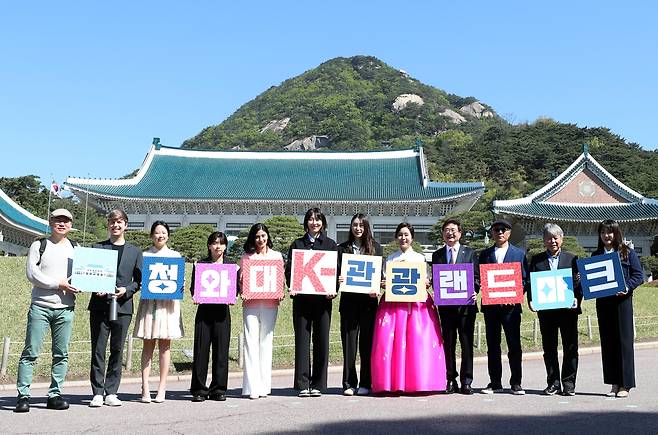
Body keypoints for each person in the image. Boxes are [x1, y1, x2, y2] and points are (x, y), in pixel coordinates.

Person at [14, 209, 79, 413]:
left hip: (65, 308)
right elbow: (32, 274)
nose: (62, 224)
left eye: (66, 221)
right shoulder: (39, 245)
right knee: (30, 352)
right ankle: (23, 395)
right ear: (50, 223)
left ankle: (55, 395)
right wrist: (57, 284)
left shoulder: (76, 248)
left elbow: (83, 272)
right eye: (57, 220)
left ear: (70, 225)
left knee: (61, 354)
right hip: (41, 306)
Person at [371, 222, 446, 394]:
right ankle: (393, 381)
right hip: (393, 305)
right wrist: (384, 284)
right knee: (392, 342)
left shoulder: (420, 258)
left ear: (412, 237)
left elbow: (426, 280)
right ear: (396, 237)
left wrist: (426, 283)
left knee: (417, 340)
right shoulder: (391, 259)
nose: (403, 238)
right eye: (400, 235)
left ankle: (418, 381)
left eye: (406, 235)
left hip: (417, 305)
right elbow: (385, 280)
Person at [88, 209, 143, 407]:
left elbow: (138, 281)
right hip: (100, 305)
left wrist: (126, 290)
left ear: (125, 225)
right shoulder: (97, 247)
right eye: (112, 222)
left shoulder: (135, 251)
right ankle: (97, 391)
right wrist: (96, 288)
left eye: (119, 222)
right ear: (108, 225)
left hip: (123, 306)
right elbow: (89, 275)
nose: (115, 225)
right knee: (98, 349)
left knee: (117, 349)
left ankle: (111, 391)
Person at [285, 207, 338, 397]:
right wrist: (291, 285)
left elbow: (336, 272)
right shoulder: (297, 244)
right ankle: (302, 383)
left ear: (323, 222)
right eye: (310, 219)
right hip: (301, 301)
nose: (314, 223)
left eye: (317, 219)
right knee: (302, 341)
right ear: (305, 222)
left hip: (323, 302)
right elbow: (289, 270)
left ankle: (318, 383)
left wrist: (334, 290)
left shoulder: (331, 245)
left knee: (321, 340)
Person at [133, 221, 184, 403]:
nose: (160, 235)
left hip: (168, 306)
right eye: (156, 232)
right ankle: (145, 387)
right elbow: (138, 280)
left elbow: (179, 281)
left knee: (165, 346)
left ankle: (162, 387)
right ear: (151, 235)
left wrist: (181, 285)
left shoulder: (175, 255)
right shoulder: (145, 255)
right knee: (147, 345)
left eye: (163, 232)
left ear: (168, 235)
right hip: (149, 305)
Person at [528, 223, 581, 396]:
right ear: (544, 240)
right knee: (549, 348)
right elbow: (530, 283)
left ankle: (569, 383)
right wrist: (530, 300)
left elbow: (578, 284)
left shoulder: (572, 259)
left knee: (570, 348)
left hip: (568, 311)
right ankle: (553, 382)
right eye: (549, 238)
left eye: (556, 237)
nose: (553, 241)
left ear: (562, 239)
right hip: (547, 311)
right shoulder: (536, 260)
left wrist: (576, 299)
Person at [593, 219, 643, 398]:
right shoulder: (596, 255)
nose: (607, 236)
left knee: (624, 343)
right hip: (603, 304)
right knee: (608, 343)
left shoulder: (627, 252)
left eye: (610, 232)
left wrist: (627, 287)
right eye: (603, 232)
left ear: (616, 233)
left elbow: (639, 276)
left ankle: (625, 384)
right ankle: (614, 382)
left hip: (622, 303)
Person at [478, 219, 528, 395]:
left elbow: (524, 279)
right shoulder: (485, 254)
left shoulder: (519, 254)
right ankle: (495, 381)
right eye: (496, 229)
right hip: (491, 307)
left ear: (509, 232)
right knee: (493, 345)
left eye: (504, 229)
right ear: (492, 232)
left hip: (511, 308)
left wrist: (515, 295)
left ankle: (516, 382)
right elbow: (479, 277)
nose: (500, 232)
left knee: (514, 345)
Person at [431, 218, 479, 395]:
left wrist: (475, 290)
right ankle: (450, 379)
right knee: (448, 344)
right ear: (443, 234)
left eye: (453, 230)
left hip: (466, 307)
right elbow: (437, 280)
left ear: (460, 233)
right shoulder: (437, 255)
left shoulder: (470, 253)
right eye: (446, 230)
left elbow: (476, 277)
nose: (450, 233)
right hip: (446, 308)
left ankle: (466, 380)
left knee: (466, 344)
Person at [337, 213, 383, 396]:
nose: (357, 228)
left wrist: (377, 285)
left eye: (361, 225)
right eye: (355, 225)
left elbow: (378, 274)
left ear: (366, 228)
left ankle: (366, 382)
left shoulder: (376, 248)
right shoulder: (342, 249)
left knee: (366, 344)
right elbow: (335, 274)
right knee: (349, 344)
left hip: (368, 303)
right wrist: (338, 279)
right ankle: (349, 383)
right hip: (348, 303)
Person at [240, 223, 284, 399]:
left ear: (268, 237)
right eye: (257, 236)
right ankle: (251, 387)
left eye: (263, 236)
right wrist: (242, 289)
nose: (261, 240)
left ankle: (264, 385)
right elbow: (241, 280)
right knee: (250, 342)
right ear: (253, 238)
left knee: (266, 341)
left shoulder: (277, 256)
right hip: (250, 304)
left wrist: (280, 292)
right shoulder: (247, 257)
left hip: (270, 303)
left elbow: (280, 279)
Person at [190, 231, 232, 402]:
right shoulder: (201, 265)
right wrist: (196, 295)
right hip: (204, 312)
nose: (218, 246)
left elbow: (234, 288)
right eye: (214, 243)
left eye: (221, 243)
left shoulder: (231, 266)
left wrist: (233, 296)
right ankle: (199, 389)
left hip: (222, 312)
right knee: (201, 351)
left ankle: (218, 389)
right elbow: (194, 288)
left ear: (225, 246)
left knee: (221, 351)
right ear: (209, 245)